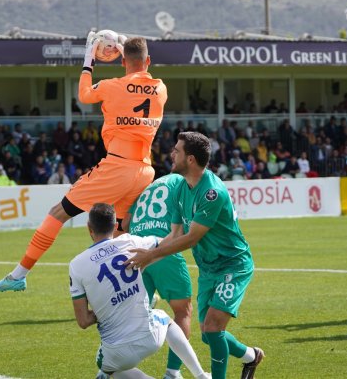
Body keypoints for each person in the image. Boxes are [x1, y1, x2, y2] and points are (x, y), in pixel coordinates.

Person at [0, 34, 168, 292]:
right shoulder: (161, 88)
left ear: (122, 61)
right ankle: (141, 291)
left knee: (58, 213)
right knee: (119, 233)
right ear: (148, 60)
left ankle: (18, 275)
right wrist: (124, 46)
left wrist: (88, 61)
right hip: (144, 169)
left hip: (118, 166)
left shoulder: (111, 85)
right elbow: (139, 77)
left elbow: (84, 95)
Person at [128, 132, 263, 379]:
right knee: (207, 333)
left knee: (212, 328)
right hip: (209, 268)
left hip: (233, 264)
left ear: (190, 159)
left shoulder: (211, 192)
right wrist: (148, 257)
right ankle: (251, 357)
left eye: (176, 150)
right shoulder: (181, 188)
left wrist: (151, 255)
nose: (171, 154)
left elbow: (190, 239)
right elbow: (174, 234)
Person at [69, 203, 210, 379]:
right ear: (115, 226)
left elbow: (83, 321)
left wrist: (108, 307)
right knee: (164, 318)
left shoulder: (76, 265)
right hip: (151, 338)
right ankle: (200, 374)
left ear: (89, 227)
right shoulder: (130, 241)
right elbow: (167, 241)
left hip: (115, 353)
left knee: (107, 367)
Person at [122, 174, 193, 379]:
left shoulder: (147, 188)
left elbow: (126, 222)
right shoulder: (182, 182)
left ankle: (113, 365)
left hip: (137, 252)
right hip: (162, 249)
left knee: (135, 314)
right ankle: (172, 372)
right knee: (182, 312)